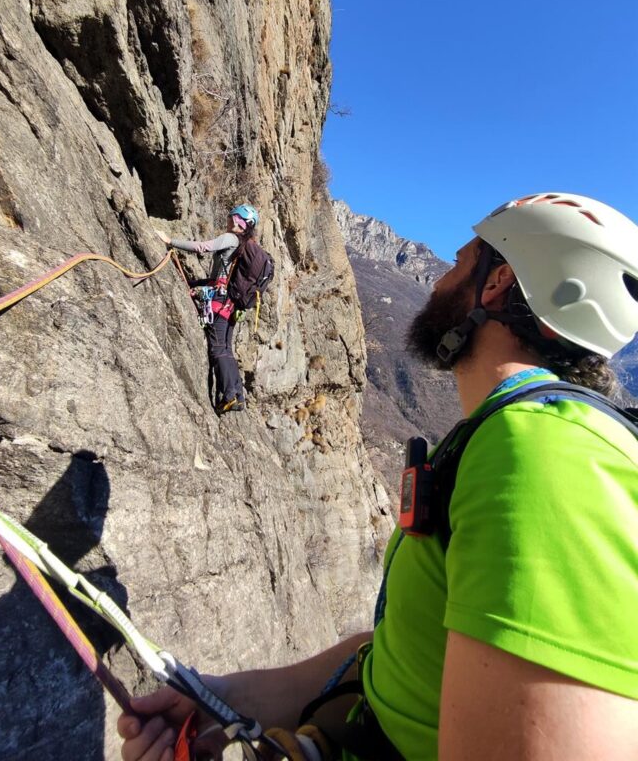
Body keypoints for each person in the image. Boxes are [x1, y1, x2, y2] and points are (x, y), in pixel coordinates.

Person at [126, 192, 638, 760]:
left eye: (461, 261)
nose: (441, 277)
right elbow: (405, 649)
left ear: (496, 284)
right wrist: (217, 696)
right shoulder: (501, 441)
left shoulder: (543, 457)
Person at [156, 204, 260, 414]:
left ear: (239, 221)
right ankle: (237, 395)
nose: (228, 219)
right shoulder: (245, 245)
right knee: (226, 348)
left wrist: (170, 241)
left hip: (220, 302)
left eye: (232, 217)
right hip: (231, 304)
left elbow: (203, 247)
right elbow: (219, 277)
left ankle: (230, 394)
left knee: (217, 348)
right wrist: (196, 284)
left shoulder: (231, 239)